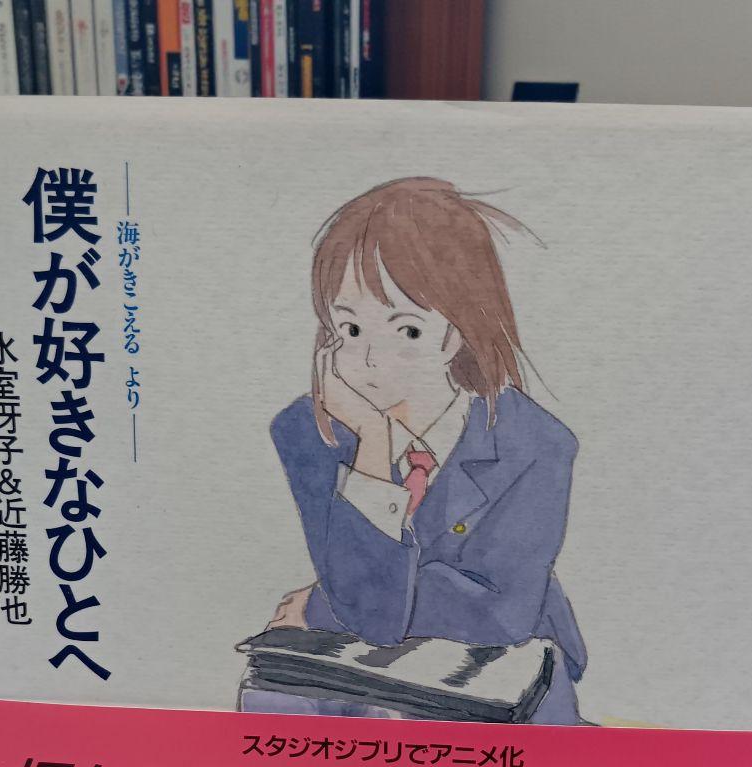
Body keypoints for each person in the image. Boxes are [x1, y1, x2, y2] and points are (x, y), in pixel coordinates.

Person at [246, 177, 587, 724]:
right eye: (349, 328)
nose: (369, 358)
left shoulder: (533, 442)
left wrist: (320, 602)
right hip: (358, 666)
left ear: (456, 333)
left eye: (406, 331)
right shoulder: (307, 431)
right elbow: (368, 610)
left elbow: (499, 613)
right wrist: (372, 444)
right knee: (271, 707)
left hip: (504, 672)